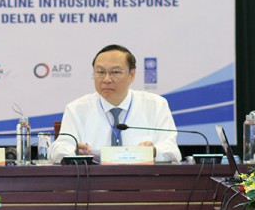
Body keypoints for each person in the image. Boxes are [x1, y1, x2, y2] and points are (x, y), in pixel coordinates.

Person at [49, 44, 182, 164]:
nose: (106, 79)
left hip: (142, 180)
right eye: (100, 72)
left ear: (132, 74)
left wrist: (154, 151)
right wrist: (74, 152)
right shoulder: (77, 109)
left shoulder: (156, 105)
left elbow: (172, 151)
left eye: (115, 72)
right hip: (93, 181)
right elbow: (58, 150)